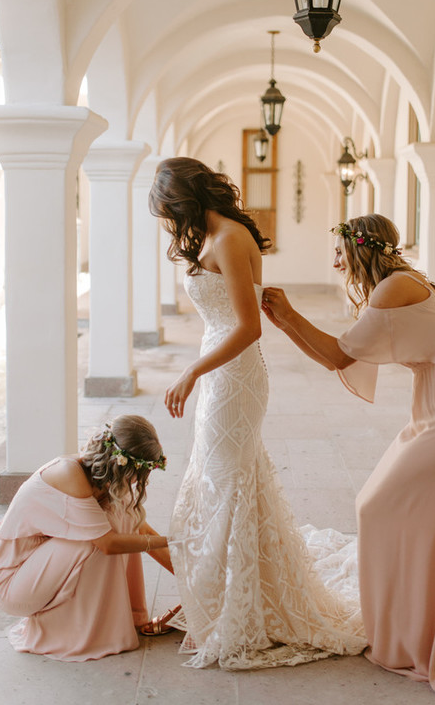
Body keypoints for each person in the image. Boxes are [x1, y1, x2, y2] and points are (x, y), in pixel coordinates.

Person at [262, 214, 435, 705]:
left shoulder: (392, 289)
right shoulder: (396, 283)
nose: (334, 260)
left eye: (339, 249)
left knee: (378, 505)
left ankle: (414, 631)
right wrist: (287, 320)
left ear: (360, 248)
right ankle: (419, 617)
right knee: (411, 512)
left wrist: (288, 317)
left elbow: (339, 356)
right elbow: (345, 354)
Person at [149, 157, 366, 669]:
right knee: (222, 478)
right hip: (222, 372)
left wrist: (190, 373)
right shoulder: (212, 234)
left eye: (165, 210)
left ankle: (240, 605)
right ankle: (226, 595)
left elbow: (248, 328)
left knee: (228, 481)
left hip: (234, 376)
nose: (165, 221)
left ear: (181, 199)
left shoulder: (227, 238)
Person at [0, 414, 173, 660]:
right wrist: (172, 539)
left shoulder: (104, 475)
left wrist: (190, 579)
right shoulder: (69, 473)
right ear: (123, 463)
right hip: (12, 583)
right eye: (140, 473)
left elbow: (142, 530)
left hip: (37, 569)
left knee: (125, 515)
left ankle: (126, 613)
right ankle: (79, 629)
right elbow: (108, 544)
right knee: (96, 541)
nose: (138, 482)